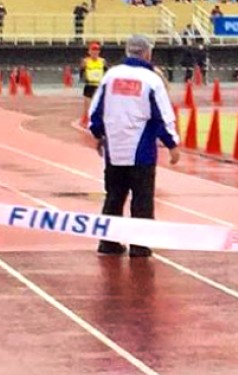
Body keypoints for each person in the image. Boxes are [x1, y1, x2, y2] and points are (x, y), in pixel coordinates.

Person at [88, 35, 181, 257]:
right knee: (142, 198)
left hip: (114, 150)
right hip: (141, 151)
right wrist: (172, 144)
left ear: (128, 52)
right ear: (148, 53)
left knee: (113, 196)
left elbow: (95, 112)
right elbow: (162, 116)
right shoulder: (152, 80)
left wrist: (99, 134)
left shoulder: (110, 76)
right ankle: (140, 245)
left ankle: (108, 242)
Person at [80, 42, 108, 124]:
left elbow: (107, 72)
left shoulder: (103, 61)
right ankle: (86, 122)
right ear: (89, 51)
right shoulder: (85, 61)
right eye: (93, 50)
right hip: (89, 86)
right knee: (87, 109)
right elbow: (81, 72)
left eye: (97, 50)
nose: (95, 52)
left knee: (100, 107)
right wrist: (84, 79)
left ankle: (99, 122)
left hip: (99, 87)